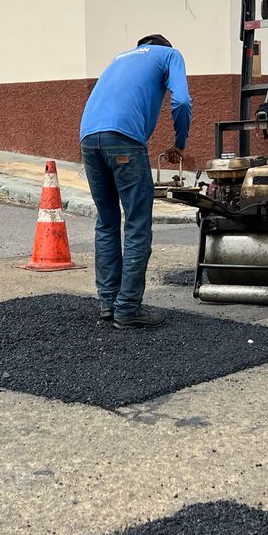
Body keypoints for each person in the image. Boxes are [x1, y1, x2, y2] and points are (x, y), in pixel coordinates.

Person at [79, 34, 192, 329]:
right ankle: (128, 307)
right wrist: (180, 143)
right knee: (137, 223)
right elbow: (181, 101)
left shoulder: (120, 58)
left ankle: (108, 303)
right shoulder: (169, 55)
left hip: (89, 138)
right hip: (125, 140)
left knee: (106, 221)